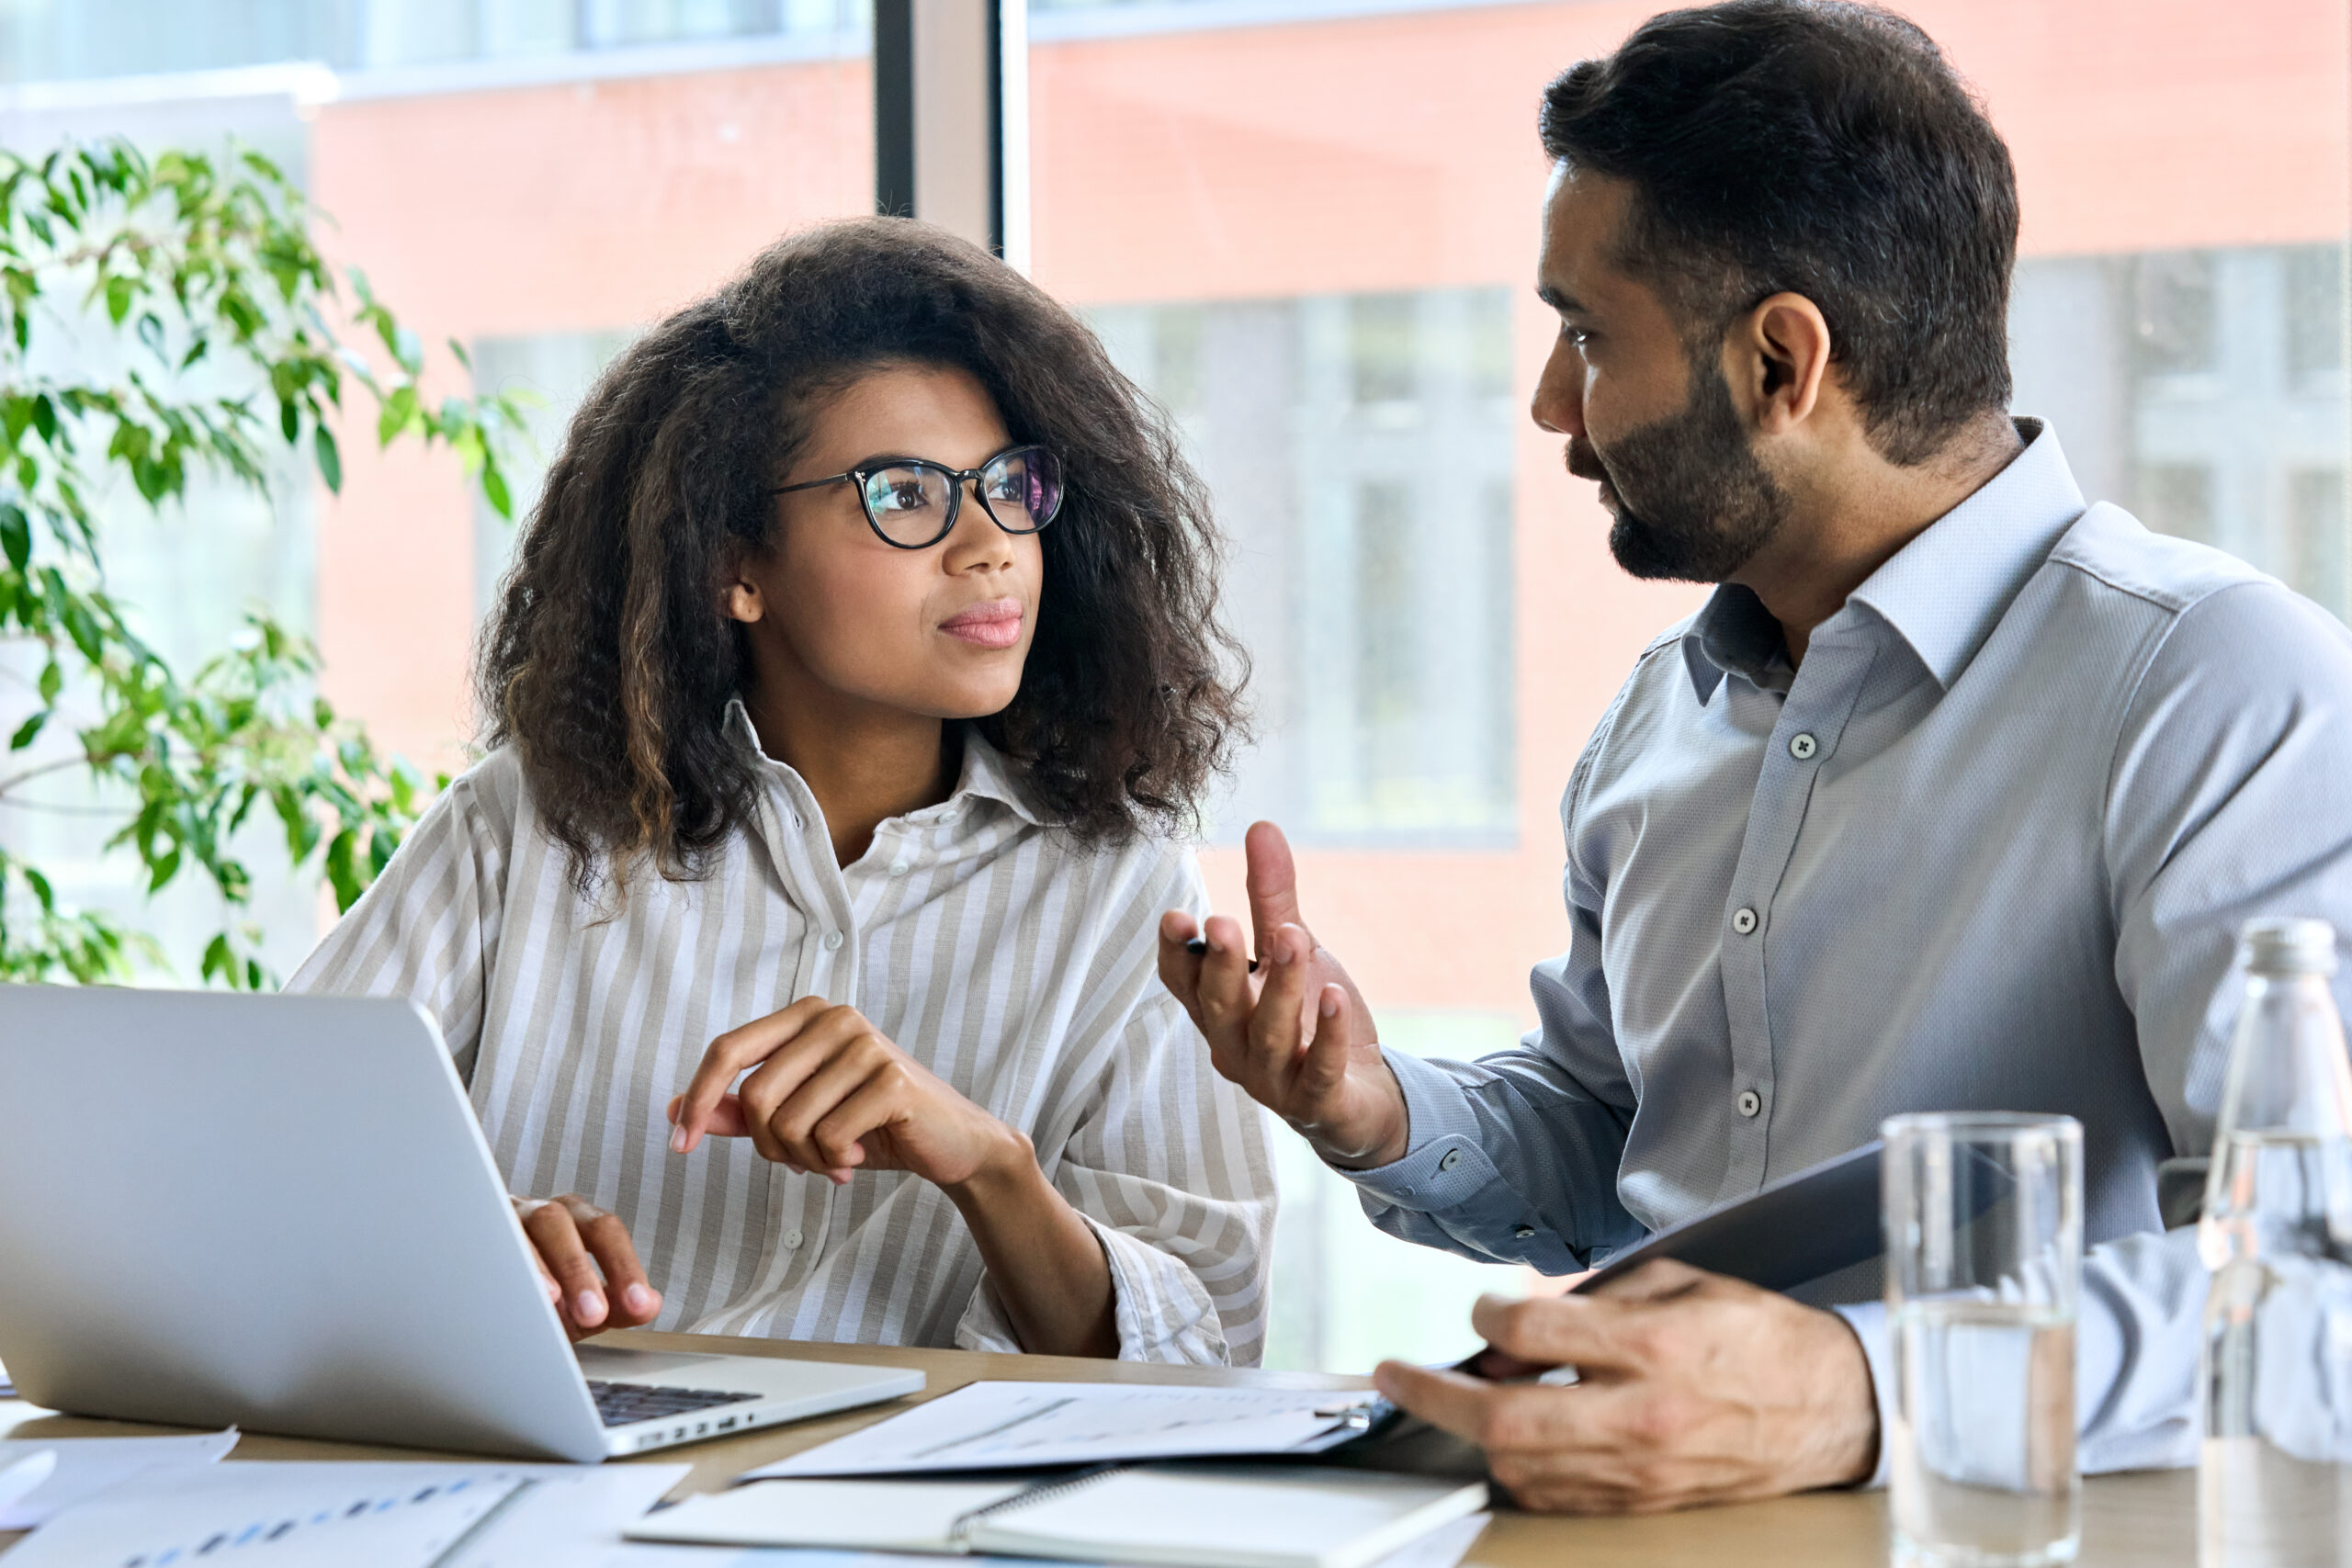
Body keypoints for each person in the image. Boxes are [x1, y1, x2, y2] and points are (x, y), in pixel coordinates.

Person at [1159, 0, 2352, 1510]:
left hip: (1984, 1529)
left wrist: (1861, 1387)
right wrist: (1374, 1107)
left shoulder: (2215, 689)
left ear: (1784, 361)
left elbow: (2321, 1283)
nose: (1549, 405)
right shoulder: (1665, 715)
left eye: (1589, 336)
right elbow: (1612, 1144)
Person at [291, 219, 1274, 1365]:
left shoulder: (1120, 881)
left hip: (902, 1525)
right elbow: (258, 1164)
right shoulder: (527, 826)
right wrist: (463, 1242)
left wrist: (990, 1167)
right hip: (557, 1490)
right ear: (733, 567)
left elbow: (1207, 1352)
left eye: (1010, 485)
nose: (990, 544)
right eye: (904, 493)